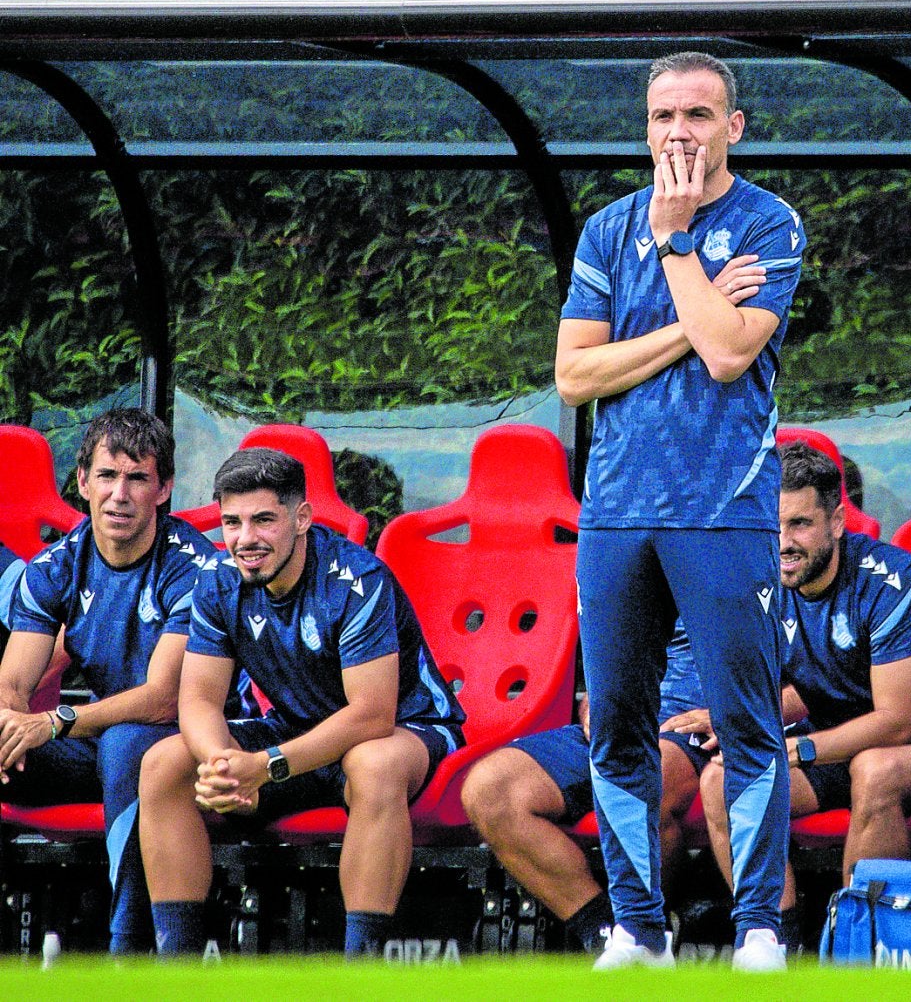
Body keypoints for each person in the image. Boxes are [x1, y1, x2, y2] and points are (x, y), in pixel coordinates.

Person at [553, 51, 806, 971]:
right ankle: (637, 929)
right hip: (616, 514)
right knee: (615, 723)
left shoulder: (767, 222)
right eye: (664, 117)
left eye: (699, 116)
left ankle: (760, 933)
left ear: (733, 128)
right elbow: (574, 375)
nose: (679, 134)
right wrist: (677, 319)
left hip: (724, 511)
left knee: (746, 725)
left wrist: (674, 245)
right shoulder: (605, 228)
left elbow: (731, 354)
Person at [137, 447, 465, 958]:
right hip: (294, 731)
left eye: (263, 520)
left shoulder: (357, 580)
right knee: (163, 763)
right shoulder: (218, 581)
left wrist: (264, 766)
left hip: (406, 728)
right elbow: (198, 699)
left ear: (302, 519)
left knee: (373, 763)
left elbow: (371, 714)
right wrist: (222, 764)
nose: (245, 539)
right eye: (232, 522)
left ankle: (362, 974)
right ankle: (177, 971)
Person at [674, 440, 911, 947]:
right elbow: (816, 683)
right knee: (724, 781)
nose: (782, 541)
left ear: (837, 522)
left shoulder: (893, 579)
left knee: (874, 770)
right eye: (773, 524)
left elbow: (894, 720)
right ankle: (774, 944)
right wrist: (737, 717)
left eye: (800, 524)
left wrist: (795, 747)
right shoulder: (762, 580)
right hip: (843, 724)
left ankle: (853, 954)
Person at [0, 408, 214, 954]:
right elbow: (14, 681)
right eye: (108, 476)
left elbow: (164, 698)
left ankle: (128, 954)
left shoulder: (194, 566)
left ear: (164, 488)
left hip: (195, 742)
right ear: (82, 483)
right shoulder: (55, 565)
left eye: (138, 478)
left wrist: (53, 721)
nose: (120, 494)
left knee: (129, 746)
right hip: (95, 744)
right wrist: (9, 727)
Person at [461, 625, 709, 954]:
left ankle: (647, 930)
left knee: (644, 778)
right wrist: (595, 707)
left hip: (701, 729)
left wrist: (739, 716)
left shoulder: (775, 574)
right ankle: (605, 935)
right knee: (490, 790)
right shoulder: (639, 575)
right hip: (624, 723)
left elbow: (801, 680)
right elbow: (607, 661)